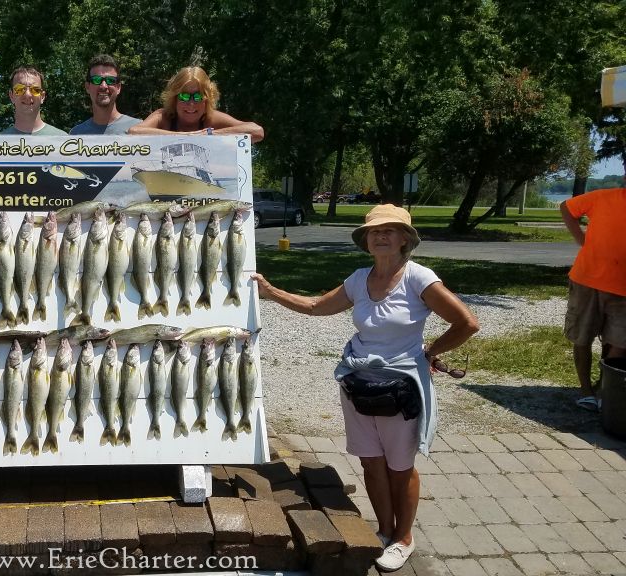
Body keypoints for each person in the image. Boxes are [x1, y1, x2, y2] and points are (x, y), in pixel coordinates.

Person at [252, 204, 478, 572]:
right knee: (372, 463)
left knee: (400, 467)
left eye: (390, 230)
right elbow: (314, 306)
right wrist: (270, 291)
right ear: (367, 241)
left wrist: (431, 351)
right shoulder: (359, 279)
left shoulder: (420, 279)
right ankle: (385, 531)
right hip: (358, 382)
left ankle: (405, 537)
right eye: (374, 231)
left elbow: (466, 322)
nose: (381, 235)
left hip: (401, 387)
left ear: (405, 239)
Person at [560, 188, 626, 411]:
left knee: (619, 341)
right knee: (582, 336)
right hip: (587, 281)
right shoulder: (603, 197)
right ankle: (586, 391)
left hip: (623, 289)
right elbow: (567, 208)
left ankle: (603, 389)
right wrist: (581, 239)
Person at [127, 66, 264, 142]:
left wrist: (210, 135)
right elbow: (134, 132)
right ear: (174, 99)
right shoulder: (162, 116)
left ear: (207, 99)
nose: (191, 103)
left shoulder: (211, 119)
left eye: (198, 96)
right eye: (184, 96)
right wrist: (185, 137)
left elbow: (257, 131)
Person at [69, 54, 141, 135]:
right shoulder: (75, 135)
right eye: (96, 80)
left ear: (118, 88)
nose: (103, 86)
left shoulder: (139, 129)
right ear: (87, 87)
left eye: (110, 80)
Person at [0, 65, 68, 136]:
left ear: (42, 96)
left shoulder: (63, 140)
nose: (28, 95)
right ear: (11, 96)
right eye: (19, 89)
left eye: (35, 89)